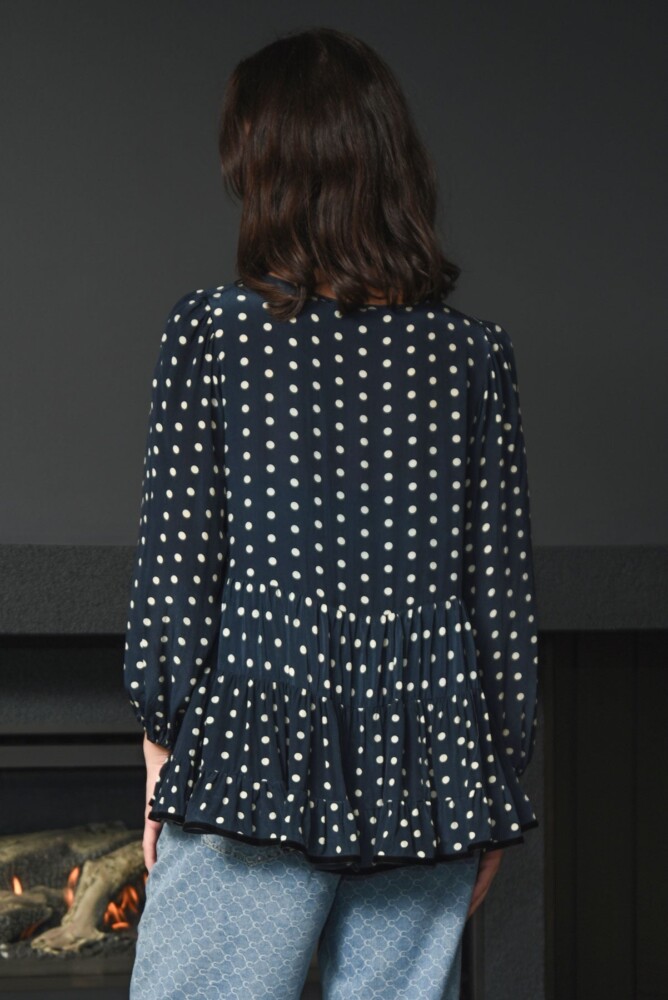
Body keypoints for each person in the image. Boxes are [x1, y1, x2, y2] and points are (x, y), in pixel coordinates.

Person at [123, 25, 539, 1000]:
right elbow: (500, 597)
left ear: (268, 164)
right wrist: (491, 785)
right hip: (430, 758)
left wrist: (160, 759)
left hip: (253, 748)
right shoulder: (472, 356)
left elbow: (177, 573)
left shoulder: (217, 333)